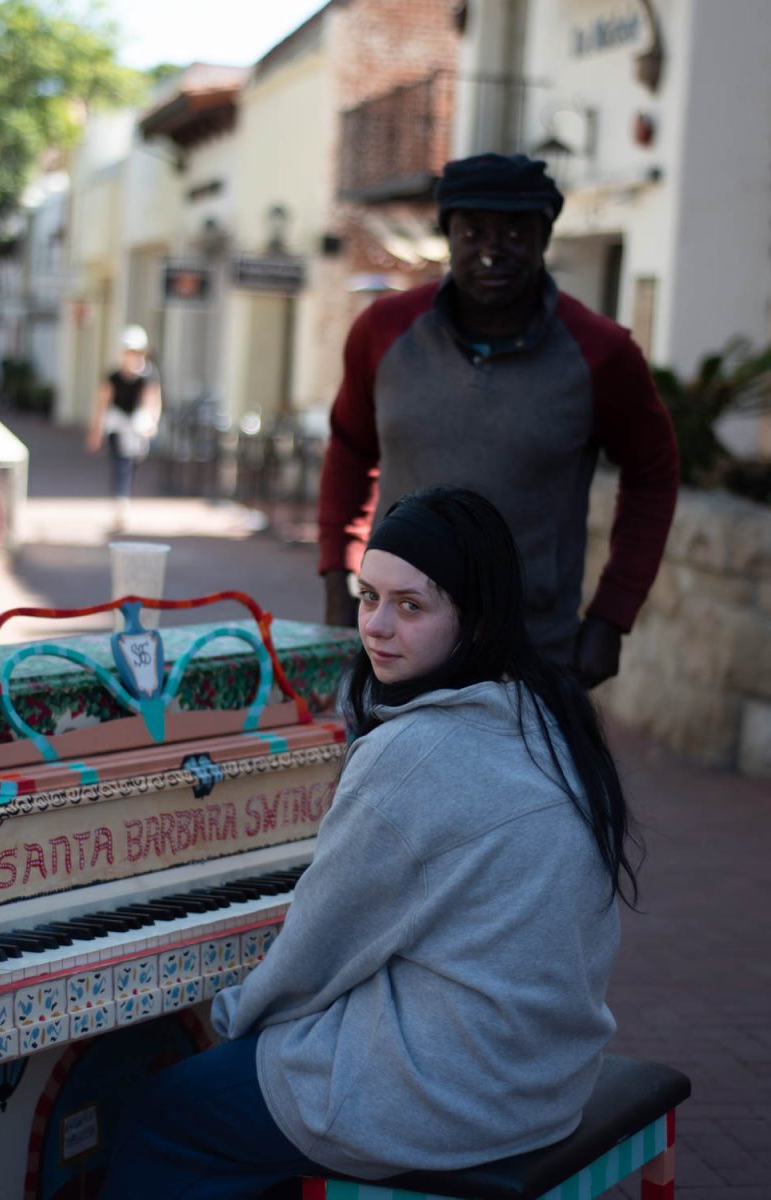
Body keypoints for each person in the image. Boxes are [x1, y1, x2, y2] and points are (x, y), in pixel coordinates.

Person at [102, 485, 640, 1200]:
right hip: (544, 1078)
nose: (377, 629)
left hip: (452, 1097)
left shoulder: (414, 753)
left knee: (156, 1115)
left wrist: (225, 1024)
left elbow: (314, 955)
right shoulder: (547, 713)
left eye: (411, 606)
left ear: (474, 621)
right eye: (368, 598)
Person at [318, 152, 680, 689]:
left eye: (515, 232)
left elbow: (654, 474)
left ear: (544, 238)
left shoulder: (601, 352)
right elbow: (349, 449)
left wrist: (612, 616)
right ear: (449, 236)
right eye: (473, 232)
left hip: (532, 652)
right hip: (398, 644)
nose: (492, 251)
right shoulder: (383, 331)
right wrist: (335, 573)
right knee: (387, 774)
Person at [86, 324, 162, 531]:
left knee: (132, 463)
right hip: (117, 426)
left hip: (136, 427)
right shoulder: (113, 377)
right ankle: (121, 504)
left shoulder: (148, 376)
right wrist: (96, 431)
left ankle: (123, 500)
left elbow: (153, 401)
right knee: (121, 464)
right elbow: (102, 404)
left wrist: (152, 422)